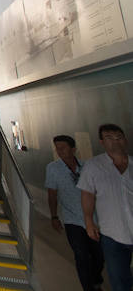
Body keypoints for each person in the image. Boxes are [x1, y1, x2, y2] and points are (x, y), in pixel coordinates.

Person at [78, 124, 133, 291]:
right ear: (102, 142)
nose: (115, 142)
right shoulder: (93, 166)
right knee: (119, 280)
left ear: (125, 140)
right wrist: (89, 222)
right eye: (109, 138)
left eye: (119, 137)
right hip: (112, 234)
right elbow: (88, 194)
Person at [46, 135, 104, 291]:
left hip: (93, 219)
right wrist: (54, 216)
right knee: (81, 256)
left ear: (73, 149)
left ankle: (96, 279)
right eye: (57, 148)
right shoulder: (53, 168)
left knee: (99, 255)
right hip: (72, 220)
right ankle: (88, 288)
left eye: (63, 148)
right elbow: (52, 194)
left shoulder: (87, 166)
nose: (59, 151)